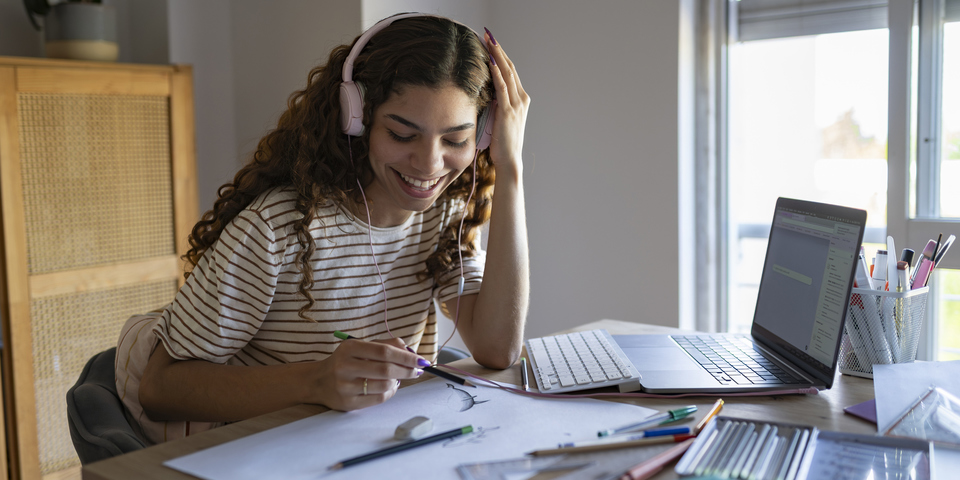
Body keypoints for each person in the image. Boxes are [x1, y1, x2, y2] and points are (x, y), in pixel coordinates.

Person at [115, 13, 530, 445]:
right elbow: (160, 387)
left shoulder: (445, 212)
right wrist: (317, 382)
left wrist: (511, 167)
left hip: (369, 445)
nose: (428, 164)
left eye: (456, 140)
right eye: (401, 134)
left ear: (483, 135)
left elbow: (497, 348)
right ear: (356, 117)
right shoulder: (277, 228)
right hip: (270, 451)